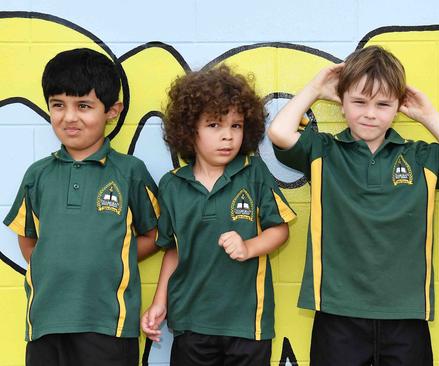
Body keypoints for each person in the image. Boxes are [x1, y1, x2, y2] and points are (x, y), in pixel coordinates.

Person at [268, 45, 439, 365]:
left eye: (382, 104)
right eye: (359, 102)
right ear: (342, 102)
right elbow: (279, 132)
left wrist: (428, 115)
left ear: (398, 106)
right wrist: (315, 88)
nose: (370, 113)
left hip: (406, 313)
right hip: (337, 310)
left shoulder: (419, 156)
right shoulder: (323, 150)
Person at [3, 48, 160, 366]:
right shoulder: (37, 175)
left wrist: (112, 255)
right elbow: (28, 238)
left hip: (108, 324)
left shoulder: (130, 171)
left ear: (112, 110)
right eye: (58, 105)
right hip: (46, 323)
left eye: (83, 106)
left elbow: (155, 234)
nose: (69, 117)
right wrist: (56, 262)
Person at [141, 65, 296, 366]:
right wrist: (159, 302)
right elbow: (173, 249)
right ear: (189, 130)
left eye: (236, 126)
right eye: (214, 125)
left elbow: (280, 230)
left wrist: (249, 246)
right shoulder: (172, 185)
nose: (227, 136)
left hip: (247, 325)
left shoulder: (253, 174)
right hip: (190, 322)